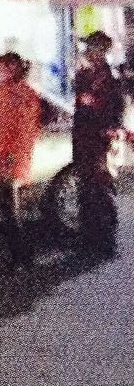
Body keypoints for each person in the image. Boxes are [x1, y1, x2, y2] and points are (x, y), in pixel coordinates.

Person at [0, 52, 41, 272]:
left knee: (12, 213)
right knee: (6, 212)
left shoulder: (24, 95)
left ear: (15, 68)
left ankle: (22, 258)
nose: (1, 72)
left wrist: (13, 161)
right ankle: (19, 256)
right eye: (1, 68)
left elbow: (24, 133)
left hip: (10, 161)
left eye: (5, 67)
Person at [73, 31, 124, 262]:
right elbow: (80, 108)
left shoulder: (110, 78)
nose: (88, 53)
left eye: (92, 49)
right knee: (85, 191)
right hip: (84, 140)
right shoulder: (84, 75)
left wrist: (111, 130)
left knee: (102, 191)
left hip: (101, 141)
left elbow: (115, 110)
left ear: (101, 51)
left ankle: (106, 241)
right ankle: (89, 239)